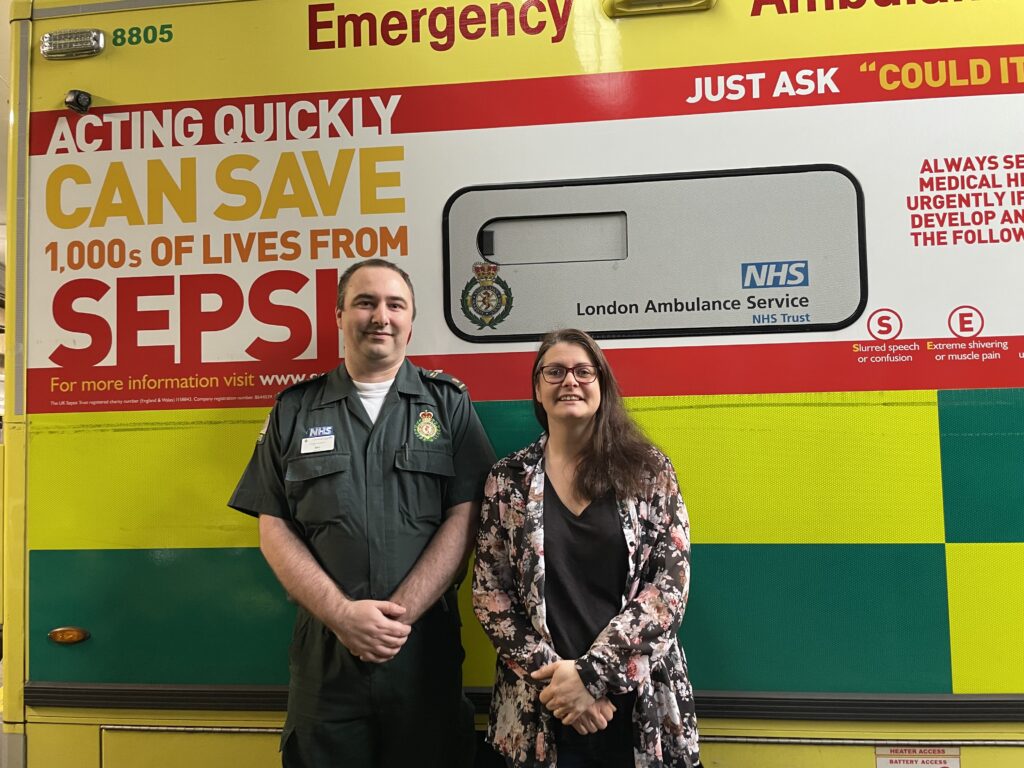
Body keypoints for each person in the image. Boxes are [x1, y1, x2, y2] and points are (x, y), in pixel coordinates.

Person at [229, 259, 496, 768]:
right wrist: (343, 617)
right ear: (339, 315)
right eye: (365, 302)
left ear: (411, 321)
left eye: (395, 305)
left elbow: (468, 517)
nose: (381, 316)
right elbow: (274, 527)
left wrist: (399, 618)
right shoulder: (294, 409)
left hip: (423, 658)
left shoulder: (447, 405)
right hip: (326, 662)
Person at [473, 328, 701, 768]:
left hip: (637, 705)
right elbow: (489, 594)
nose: (569, 382)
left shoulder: (647, 469)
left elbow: (669, 587)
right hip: (540, 706)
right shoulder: (508, 480)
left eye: (583, 371)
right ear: (538, 389)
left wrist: (592, 676)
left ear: (602, 384)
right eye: (554, 372)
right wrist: (563, 684)